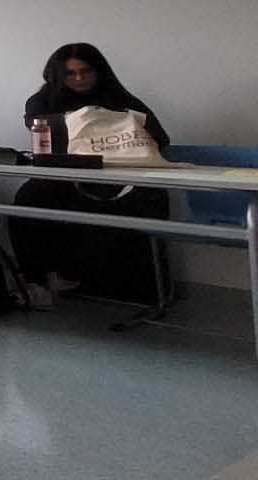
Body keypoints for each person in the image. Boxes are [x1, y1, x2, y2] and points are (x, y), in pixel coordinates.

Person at [11, 43, 171, 304]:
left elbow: (160, 139)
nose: (78, 78)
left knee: (151, 198)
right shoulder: (42, 101)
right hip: (65, 180)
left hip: (119, 180)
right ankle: (39, 280)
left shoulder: (121, 99)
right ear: (57, 75)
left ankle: (139, 288)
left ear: (99, 71)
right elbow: (41, 138)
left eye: (85, 71)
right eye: (70, 73)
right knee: (29, 197)